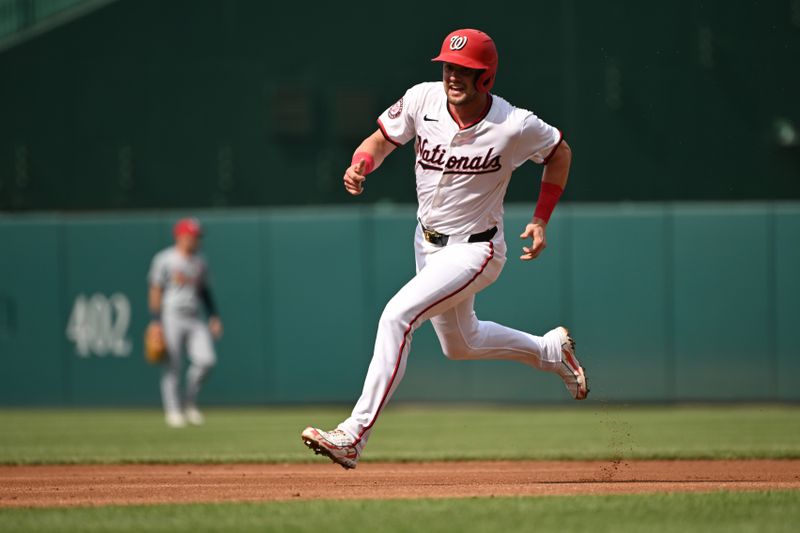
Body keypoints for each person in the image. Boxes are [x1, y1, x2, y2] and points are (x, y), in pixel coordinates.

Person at [301, 29, 588, 468]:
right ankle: (550, 352)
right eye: (449, 67)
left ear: (485, 77)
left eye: (464, 70)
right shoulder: (422, 99)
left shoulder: (513, 124)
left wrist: (540, 217)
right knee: (461, 343)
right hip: (427, 242)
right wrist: (361, 165)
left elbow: (559, 152)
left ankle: (353, 434)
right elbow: (379, 141)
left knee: (397, 316)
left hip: (477, 250)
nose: (452, 76)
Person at [147, 217, 223, 428]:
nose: (197, 239)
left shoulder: (200, 261)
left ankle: (187, 402)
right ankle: (173, 411)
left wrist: (213, 316)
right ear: (181, 236)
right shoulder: (165, 259)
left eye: (198, 236)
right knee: (173, 366)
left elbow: (205, 291)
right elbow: (155, 289)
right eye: (193, 235)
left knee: (207, 361)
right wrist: (155, 322)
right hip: (171, 315)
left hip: (194, 316)